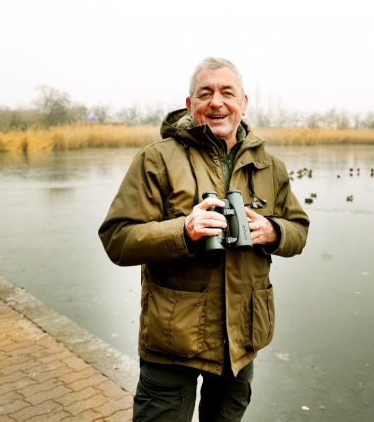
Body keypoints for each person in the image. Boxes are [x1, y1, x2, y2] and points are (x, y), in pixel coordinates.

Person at [98, 57, 309, 421]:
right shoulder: (156, 159)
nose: (216, 102)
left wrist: (274, 231)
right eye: (205, 93)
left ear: (244, 103)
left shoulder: (270, 166)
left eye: (227, 93)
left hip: (240, 342)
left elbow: (299, 231)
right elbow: (118, 238)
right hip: (172, 342)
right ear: (189, 104)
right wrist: (184, 231)